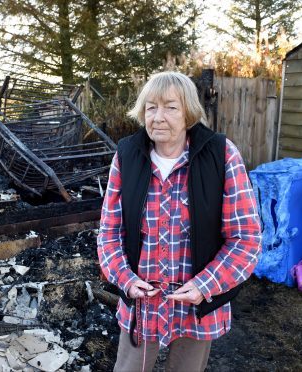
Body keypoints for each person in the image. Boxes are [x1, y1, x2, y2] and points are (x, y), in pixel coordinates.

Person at [97, 71, 262, 372]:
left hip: (197, 305)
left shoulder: (221, 155)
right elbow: (109, 233)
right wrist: (125, 279)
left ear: (188, 113)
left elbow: (246, 239)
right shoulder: (126, 156)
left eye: (170, 107)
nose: (158, 117)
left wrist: (205, 285)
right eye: (151, 107)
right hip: (142, 304)